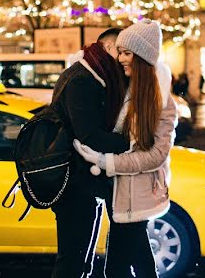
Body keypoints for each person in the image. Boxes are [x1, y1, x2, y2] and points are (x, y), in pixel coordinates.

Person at [73, 19, 174, 278]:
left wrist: (107, 161)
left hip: (138, 194)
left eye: (126, 53)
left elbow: (155, 156)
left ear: (141, 56)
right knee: (129, 265)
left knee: (120, 267)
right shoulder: (127, 88)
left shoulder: (161, 101)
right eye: (120, 52)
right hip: (121, 192)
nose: (120, 59)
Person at [49, 28, 129, 278]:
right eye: (122, 52)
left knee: (80, 262)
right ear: (107, 48)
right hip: (74, 184)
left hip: (83, 181)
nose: (125, 59)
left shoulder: (93, 74)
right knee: (73, 262)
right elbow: (89, 136)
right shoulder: (82, 80)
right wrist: (131, 143)